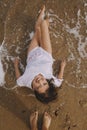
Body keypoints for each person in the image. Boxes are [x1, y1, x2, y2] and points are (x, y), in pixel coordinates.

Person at [14, 5, 66, 103]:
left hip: (32, 53)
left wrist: (15, 65)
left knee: (37, 30)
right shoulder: (52, 81)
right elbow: (59, 81)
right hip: (46, 52)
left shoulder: (24, 81)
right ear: (48, 83)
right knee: (43, 25)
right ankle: (45, 19)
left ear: (33, 89)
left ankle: (43, 14)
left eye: (38, 86)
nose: (40, 81)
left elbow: (18, 79)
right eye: (44, 83)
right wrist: (62, 67)